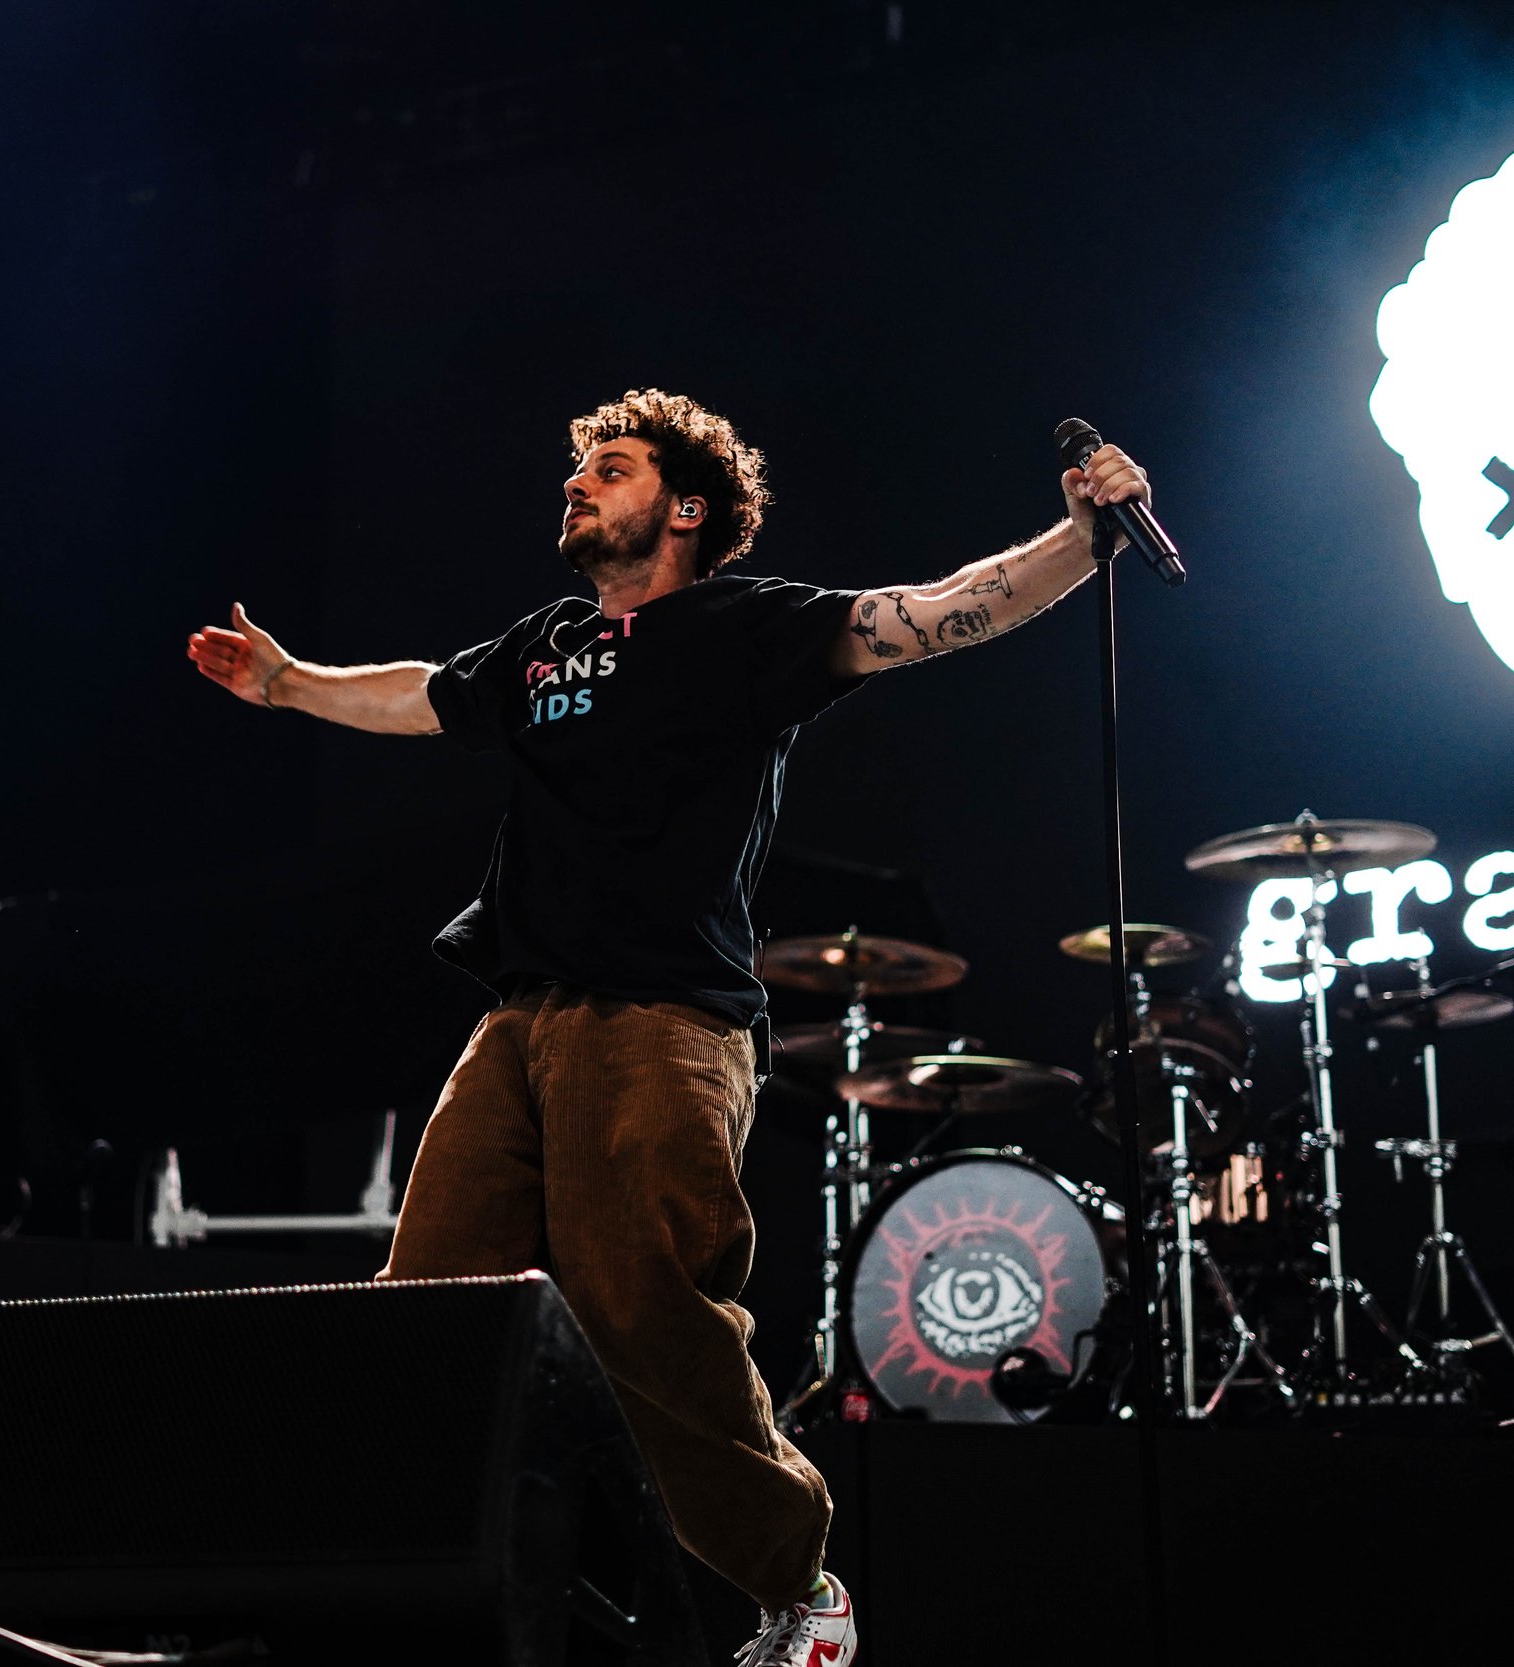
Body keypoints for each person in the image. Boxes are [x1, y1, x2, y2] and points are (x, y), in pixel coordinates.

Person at [187, 388, 1148, 1667]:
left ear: (683, 507)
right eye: (578, 467)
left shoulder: (748, 628)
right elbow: (425, 694)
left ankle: (796, 1581)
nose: (579, 482)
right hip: (519, 1020)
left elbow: (925, 615)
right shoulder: (541, 646)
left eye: (613, 466)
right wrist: (292, 684)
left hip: (662, 1022)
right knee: (424, 1309)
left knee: (641, 1300)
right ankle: (403, 1609)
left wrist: (1081, 541)